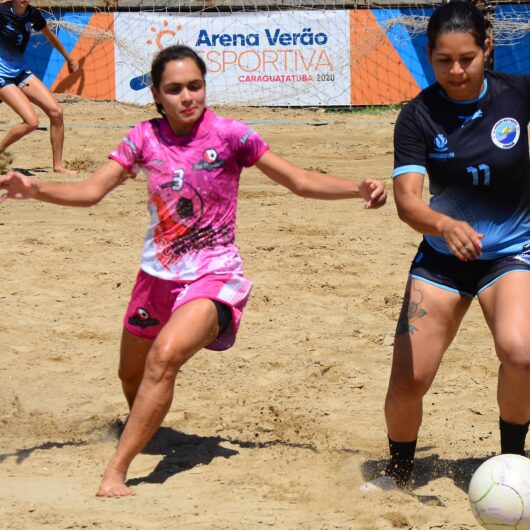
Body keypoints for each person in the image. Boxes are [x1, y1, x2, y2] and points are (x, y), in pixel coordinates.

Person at [0, 44, 387, 497]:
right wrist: (37, 189)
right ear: (158, 96)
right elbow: (90, 192)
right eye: (175, 89)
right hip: (155, 279)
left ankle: (116, 471)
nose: (187, 97)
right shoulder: (143, 138)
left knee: (164, 357)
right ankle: (147, 425)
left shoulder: (232, 135)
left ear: (205, 86)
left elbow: (299, 181)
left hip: (214, 277)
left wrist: (354, 187)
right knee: (132, 375)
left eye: (195, 86)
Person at [362, 1, 530, 492]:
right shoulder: (417, 116)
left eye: (467, 59)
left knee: (520, 352)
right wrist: (443, 223)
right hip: (442, 260)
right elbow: (408, 203)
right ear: (430, 59)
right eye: (443, 61)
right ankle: (400, 472)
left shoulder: (518, 95)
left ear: (486, 51)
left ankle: (511, 466)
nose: (456, 70)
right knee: (408, 382)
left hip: (511, 253)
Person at [0, 0, 79, 173]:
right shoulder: (2, 11)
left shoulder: (33, 14)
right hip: (1, 76)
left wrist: (69, 58)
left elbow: (51, 37)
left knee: (56, 112)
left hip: (20, 71)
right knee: (32, 122)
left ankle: (58, 166)